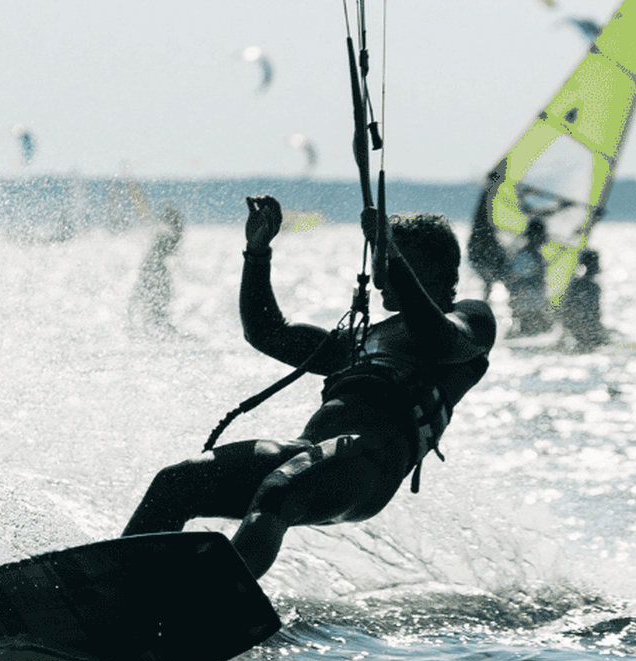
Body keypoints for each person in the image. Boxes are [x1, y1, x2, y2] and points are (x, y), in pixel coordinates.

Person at [120, 195, 496, 578]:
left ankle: (211, 602)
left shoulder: (471, 318)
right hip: (310, 453)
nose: (380, 272)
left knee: (279, 490)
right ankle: (116, 586)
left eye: (388, 260)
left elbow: (440, 341)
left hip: (369, 462)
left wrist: (393, 257)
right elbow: (268, 333)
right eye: (380, 259)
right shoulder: (363, 338)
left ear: (431, 269)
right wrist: (258, 252)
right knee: (178, 481)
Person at [127, 205, 188, 340]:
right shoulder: (169, 235)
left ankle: (147, 331)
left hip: (153, 270)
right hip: (154, 270)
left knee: (150, 305)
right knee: (153, 306)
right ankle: (150, 331)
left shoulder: (165, 234)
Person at [558, 249, 609, 350]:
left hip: (574, 330)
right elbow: (594, 313)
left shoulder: (574, 283)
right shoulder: (593, 287)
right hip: (587, 330)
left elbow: (566, 310)